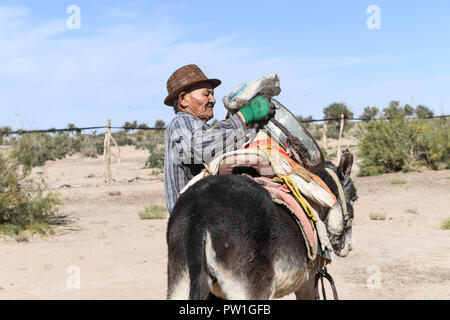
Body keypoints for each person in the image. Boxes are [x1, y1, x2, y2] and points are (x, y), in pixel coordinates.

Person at [163, 64, 275, 214]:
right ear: (183, 100)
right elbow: (201, 148)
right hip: (192, 217)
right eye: (206, 94)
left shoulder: (201, 128)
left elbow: (217, 140)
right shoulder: (181, 122)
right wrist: (244, 116)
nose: (213, 100)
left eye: (213, 94)